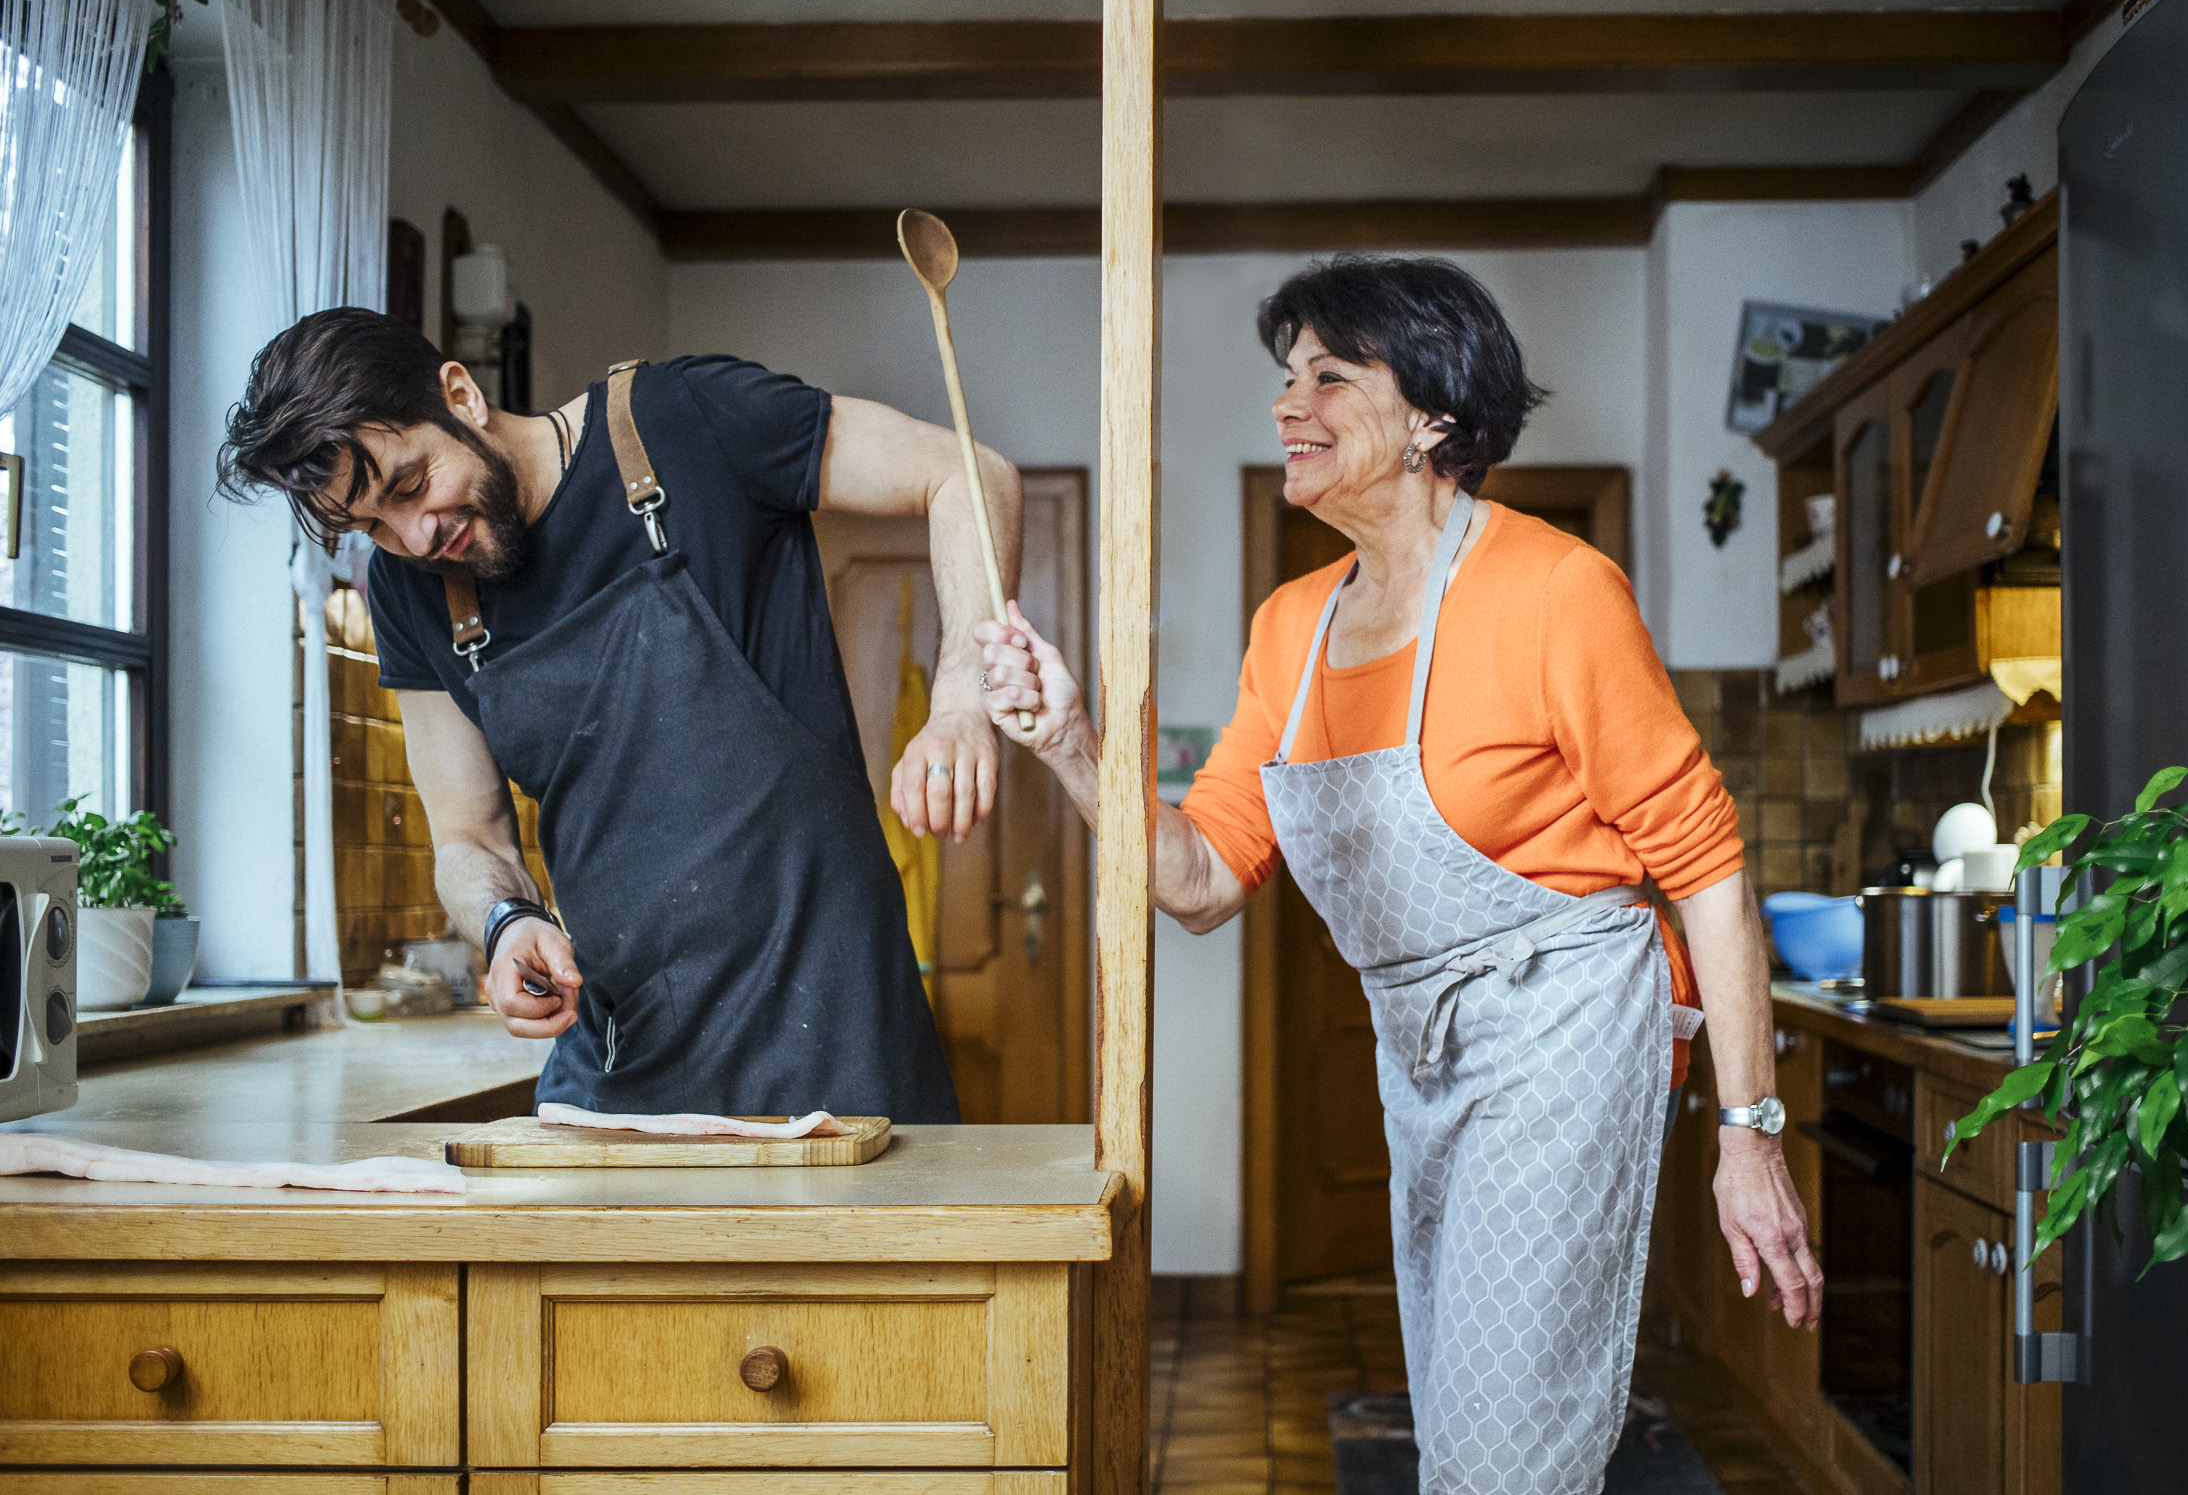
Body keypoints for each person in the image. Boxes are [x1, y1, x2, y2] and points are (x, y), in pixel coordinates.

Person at [976, 258, 1821, 1492]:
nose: (1286, 404)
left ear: (1432, 414)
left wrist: (1747, 1138)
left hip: (1565, 1032)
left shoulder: (1554, 591)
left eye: (1328, 373)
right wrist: (1071, 743)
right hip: (1415, 1045)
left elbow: (1706, 871)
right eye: (1283, 376)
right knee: (1465, 1413)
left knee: (1501, 1448)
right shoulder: (1291, 627)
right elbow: (1200, 877)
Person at [217, 308, 1017, 1122]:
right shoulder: (411, 590)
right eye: (370, 527)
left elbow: (968, 476)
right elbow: (467, 836)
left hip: (837, 1040)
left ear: (459, 394)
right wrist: (503, 922)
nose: (415, 538)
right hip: (623, 1071)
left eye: (413, 486)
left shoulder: (682, 418)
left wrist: (960, 698)